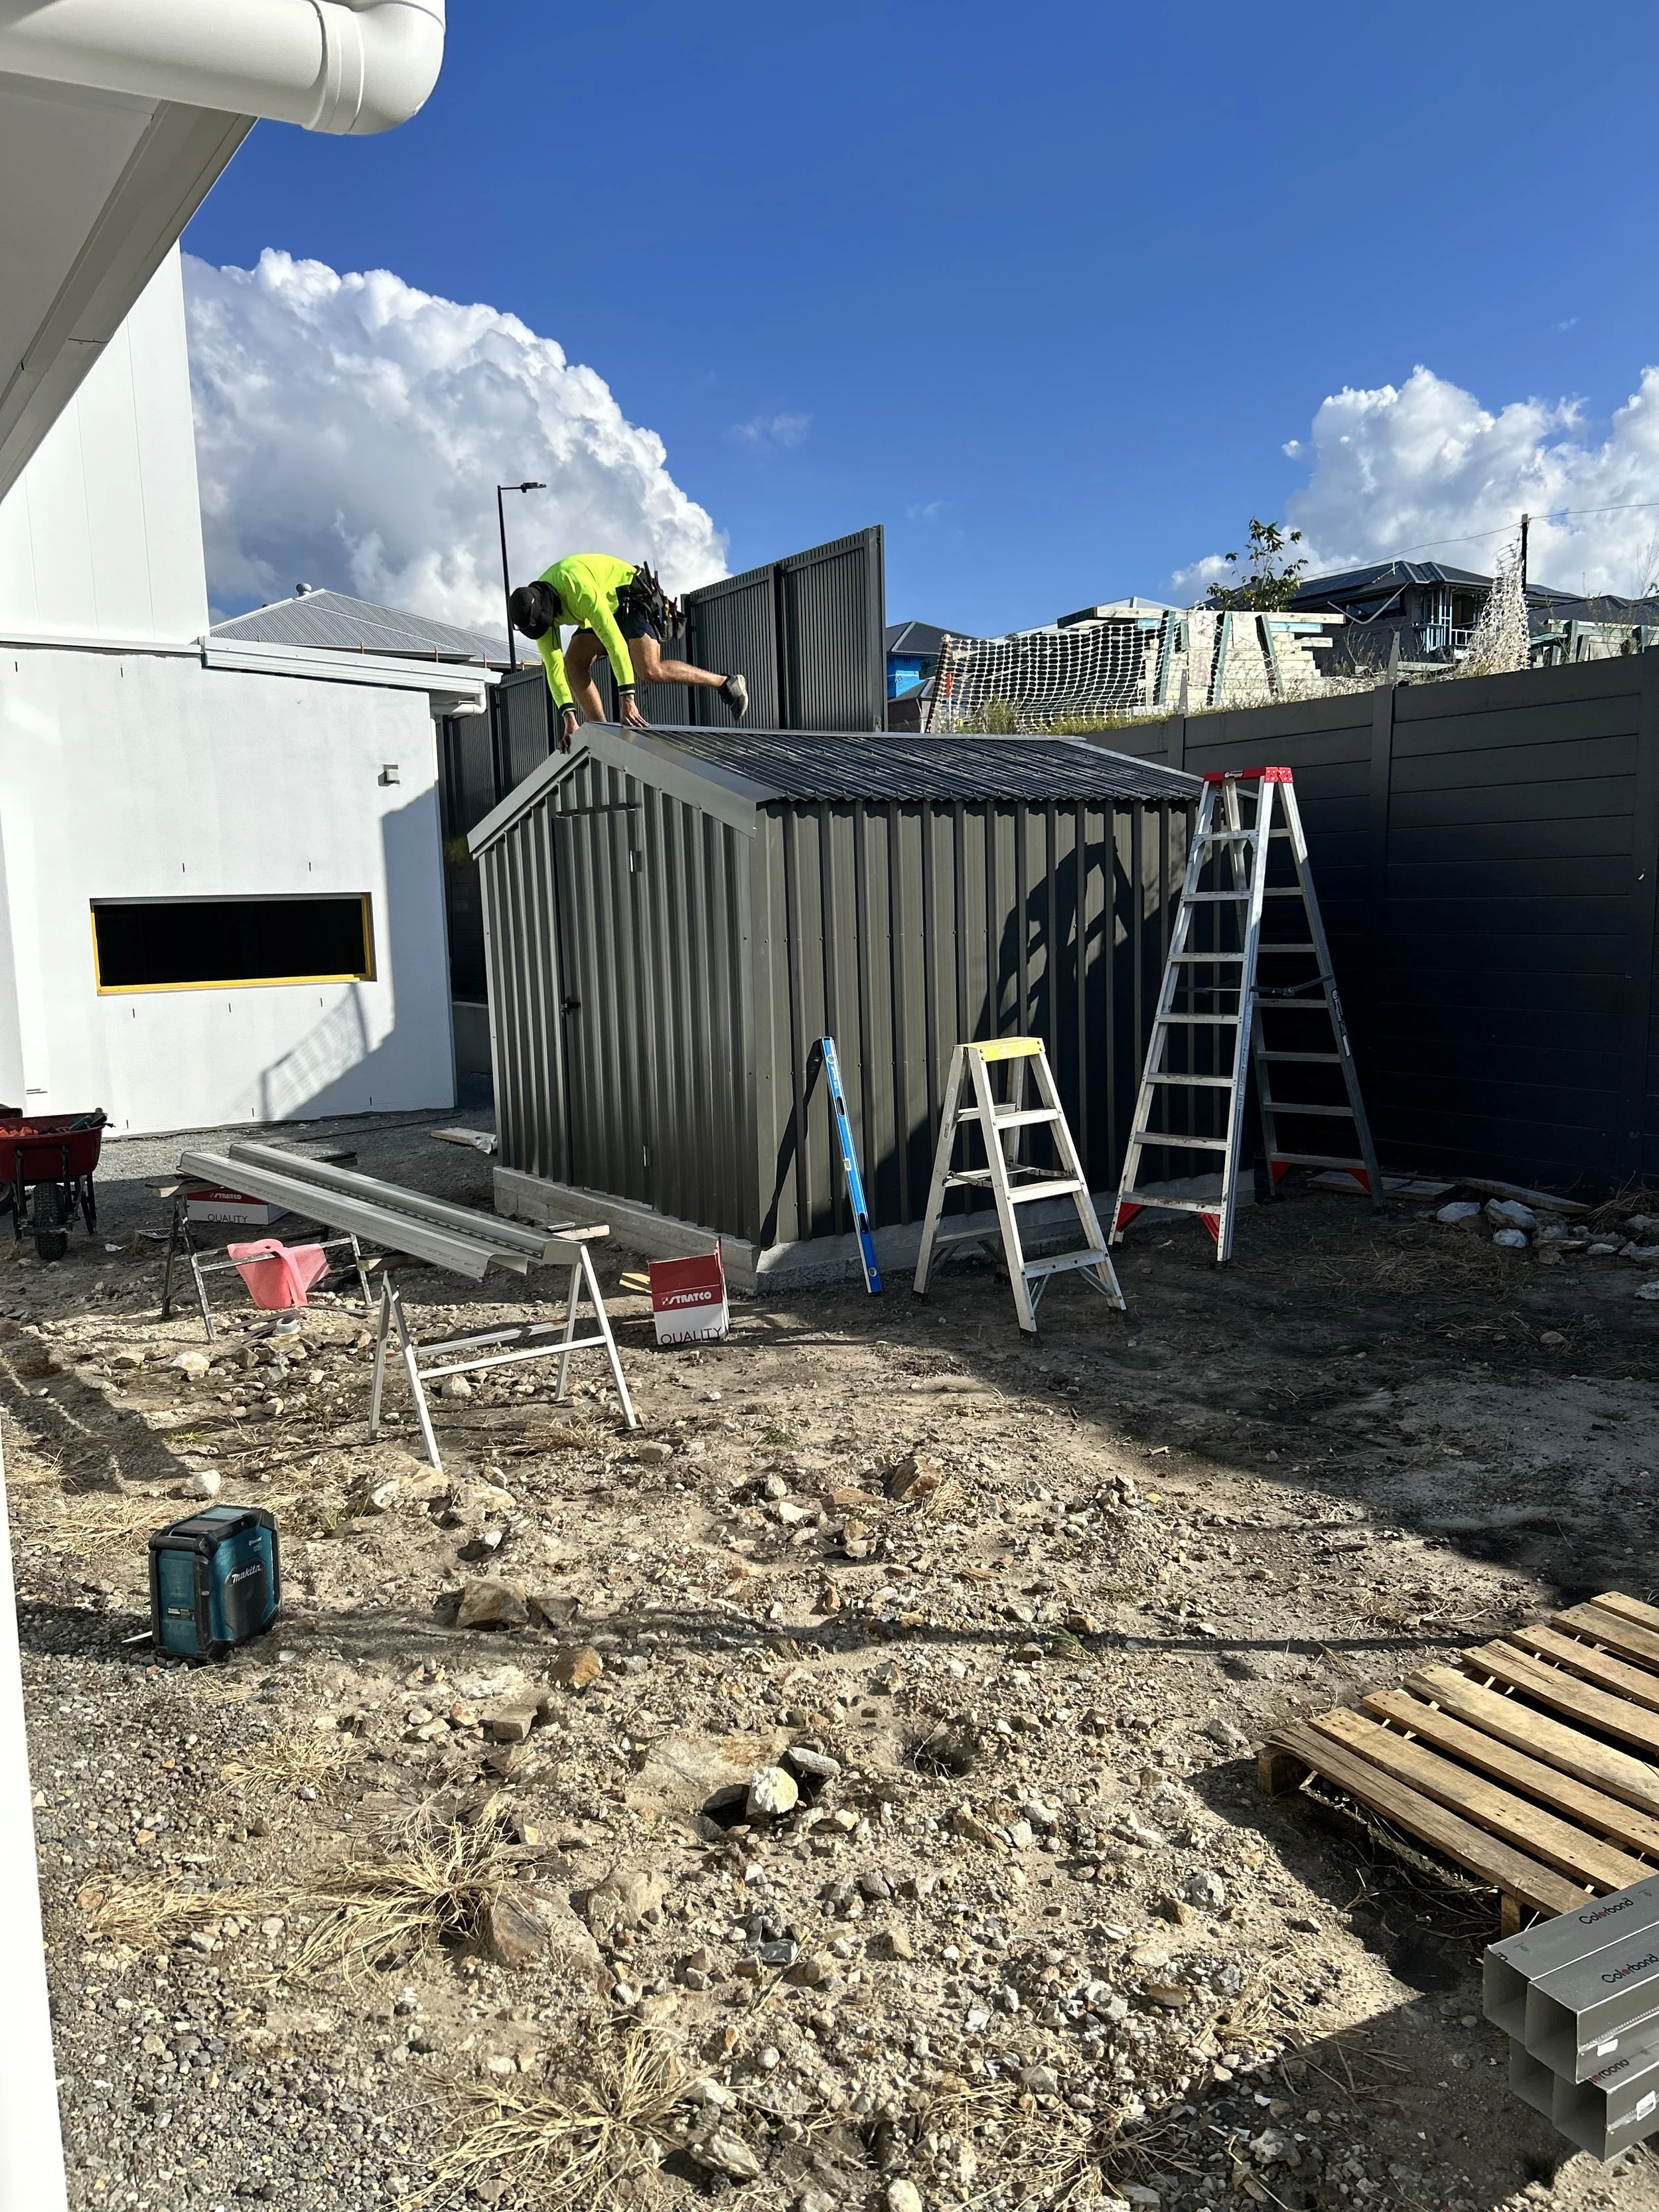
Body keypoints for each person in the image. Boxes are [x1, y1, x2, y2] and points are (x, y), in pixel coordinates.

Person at [508, 553, 749, 748]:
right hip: (602, 609)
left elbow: (615, 645)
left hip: (628, 595)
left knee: (649, 670)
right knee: (572, 664)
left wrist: (628, 700)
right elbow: (554, 669)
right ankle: (603, 732)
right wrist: (569, 718)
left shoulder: (577, 589)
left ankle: (726, 682)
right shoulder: (537, 619)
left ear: (545, 607)